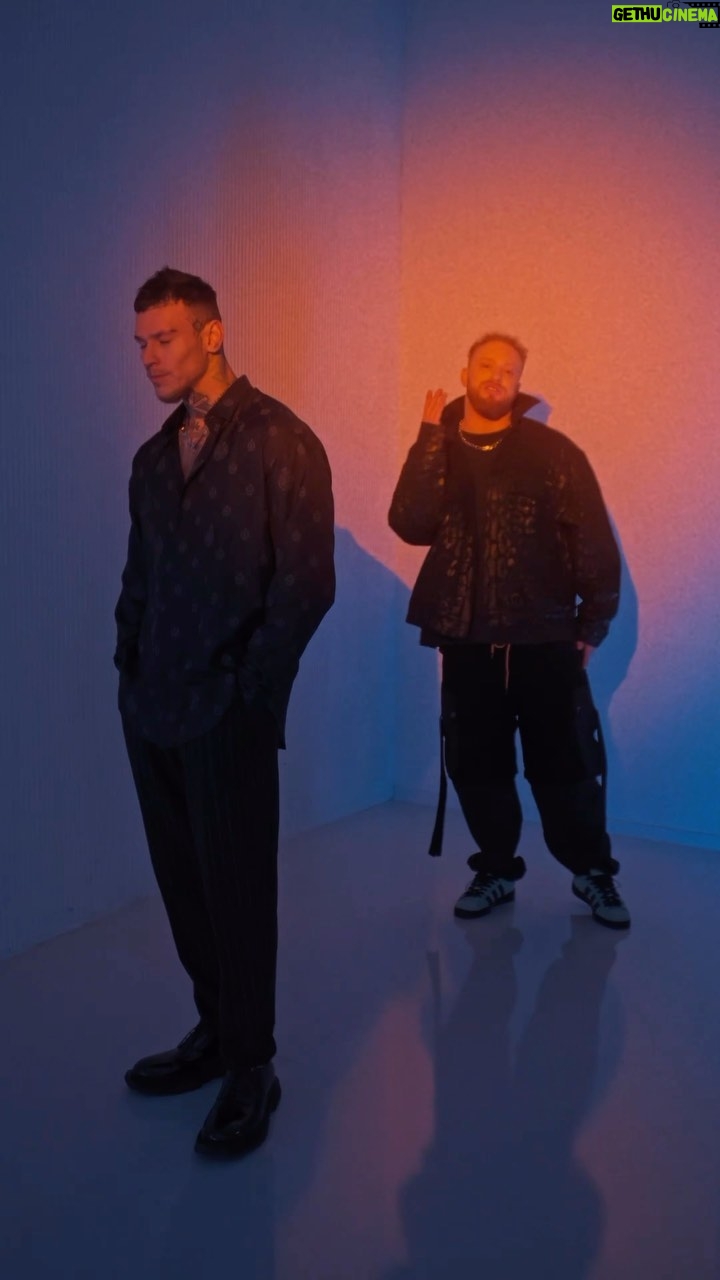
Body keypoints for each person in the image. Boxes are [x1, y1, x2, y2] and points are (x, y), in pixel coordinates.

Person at [115, 267, 335, 1157]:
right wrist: (127, 668)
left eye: (164, 337)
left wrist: (251, 697)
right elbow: (139, 574)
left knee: (239, 891)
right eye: (140, 343)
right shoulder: (152, 457)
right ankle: (214, 1030)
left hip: (225, 711)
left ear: (212, 334)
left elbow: (306, 584)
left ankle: (252, 1064)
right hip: (152, 706)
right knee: (185, 885)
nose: (148, 357)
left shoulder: (283, 440)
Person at [388, 334, 630, 929]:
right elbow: (410, 523)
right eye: (487, 364)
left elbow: (592, 538)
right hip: (466, 639)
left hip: (544, 636)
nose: (497, 375)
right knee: (477, 766)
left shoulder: (551, 452)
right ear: (465, 372)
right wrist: (427, 438)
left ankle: (591, 872)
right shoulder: (440, 446)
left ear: (519, 383)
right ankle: (496, 868)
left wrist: (593, 620)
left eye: (510, 370)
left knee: (566, 764)